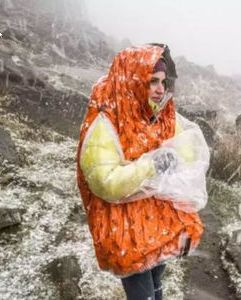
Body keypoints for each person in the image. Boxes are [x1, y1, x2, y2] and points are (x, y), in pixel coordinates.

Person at [77, 43, 210, 300]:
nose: (161, 89)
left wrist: (162, 158)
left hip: (156, 223)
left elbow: (188, 152)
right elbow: (105, 181)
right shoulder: (107, 121)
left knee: (156, 281)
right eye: (152, 81)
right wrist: (152, 164)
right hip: (125, 228)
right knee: (142, 293)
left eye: (163, 81)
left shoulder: (158, 114)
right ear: (136, 80)